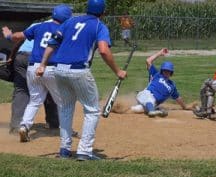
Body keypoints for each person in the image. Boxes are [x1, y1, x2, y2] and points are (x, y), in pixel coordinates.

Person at [36, 0, 127, 161]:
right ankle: (84, 151)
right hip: (79, 70)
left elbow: (52, 43)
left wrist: (43, 64)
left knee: (65, 108)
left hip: (59, 69)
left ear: (87, 9)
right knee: (92, 110)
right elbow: (104, 51)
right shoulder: (99, 26)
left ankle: (64, 149)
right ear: (103, 12)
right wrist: (118, 71)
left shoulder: (71, 21)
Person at [2, 4, 72, 141]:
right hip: (47, 66)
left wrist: (9, 37)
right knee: (61, 100)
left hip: (28, 64)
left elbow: (19, 37)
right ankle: (62, 129)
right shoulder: (65, 29)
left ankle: (22, 126)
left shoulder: (38, 25)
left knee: (31, 98)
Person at [0, 40, 59, 134]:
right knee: (49, 89)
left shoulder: (35, 26)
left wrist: (12, 56)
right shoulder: (59, 29)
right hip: (40, 58)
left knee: (21, 90)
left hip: (21, 57)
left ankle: (16, 126)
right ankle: (53, 123)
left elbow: (19, 41)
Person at [131, 48, 190, 117]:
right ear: (162, 71)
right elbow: (148, 61)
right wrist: (159, 53)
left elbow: (178, 98)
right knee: (149, 100)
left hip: (152, 104)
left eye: (168, 71)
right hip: (146, 94)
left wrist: (185, 107)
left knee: (137, 109)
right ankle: (152, 111)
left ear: (171, 72)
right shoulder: (156, 74)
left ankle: (120, 108)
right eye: (165, 70)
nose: (166, 72)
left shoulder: (172, 86)